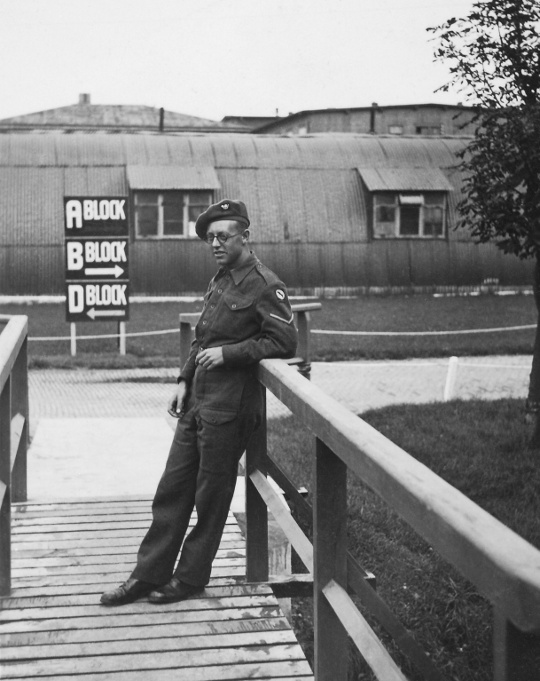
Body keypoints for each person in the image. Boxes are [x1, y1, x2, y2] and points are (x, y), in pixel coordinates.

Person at [101, 198, 298, 605]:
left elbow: (284, 340)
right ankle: (147, 575)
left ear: (245, 236)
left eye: (223, 236)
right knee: (171, 489)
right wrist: (183, 378)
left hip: (230, 408)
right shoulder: (221, 280)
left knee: (211, 497)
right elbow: (203, 337)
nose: (215, 243)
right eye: (211, 237)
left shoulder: (264, 283)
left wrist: (232, 354)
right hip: (198, 403)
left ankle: (190, 578)